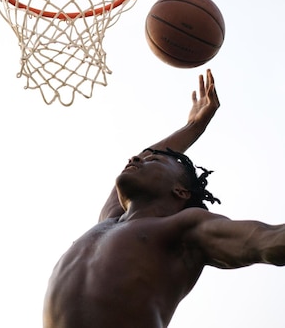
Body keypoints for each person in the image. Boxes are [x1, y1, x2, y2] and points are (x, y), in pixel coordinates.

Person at [43, 70, 285, 328]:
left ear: (180, 191)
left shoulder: (185, 230)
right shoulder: (110, 221)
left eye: (154, 162)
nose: (136, 159)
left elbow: (265, 240)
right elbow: (142, 155)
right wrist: (193, 126)